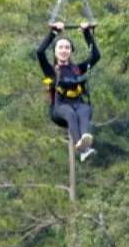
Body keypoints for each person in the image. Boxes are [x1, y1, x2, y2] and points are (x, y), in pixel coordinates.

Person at [37, 21, 100, 161]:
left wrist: (86, 33)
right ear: (55, 51)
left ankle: (85, 145)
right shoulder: (51, 71)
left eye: (67, 47)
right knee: (70, 113)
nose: (64, 50)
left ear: (71, 51)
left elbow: (96, 56)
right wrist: (53, 32)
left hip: (78, 104)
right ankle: (81, 146)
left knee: (85, 109)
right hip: (59, 109)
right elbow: (40, 52)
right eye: (60, 47)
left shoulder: (77, 69)